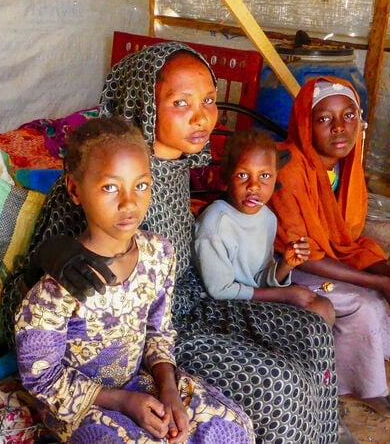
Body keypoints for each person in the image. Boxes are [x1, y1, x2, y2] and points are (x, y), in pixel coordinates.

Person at [3, 41, 339, 443]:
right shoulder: (106, 172)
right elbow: (31, 294)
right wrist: (50, 254)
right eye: (181, 103)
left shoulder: (175, 167)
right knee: (279, 385)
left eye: (209, 100)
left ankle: (323, 434)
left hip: (189, 302)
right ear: (145, 104)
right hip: (152, 330)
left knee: (311, 331)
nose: (202, 116)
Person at [15, 117, 254, 443]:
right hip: (82, 404)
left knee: (232, 429)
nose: (129, 203)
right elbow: (43, 379)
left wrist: (168, 388)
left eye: (141, 185)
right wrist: (123, 402)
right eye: (109, 187)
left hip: (140, 384)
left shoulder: (158, 254)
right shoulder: (59, 287)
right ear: (74, 189)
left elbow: (159, 331)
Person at [269, 76, 390, 418]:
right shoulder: (289, 169)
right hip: (282, 267)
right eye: (324, 118)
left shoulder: (345, 168)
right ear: (305, 124)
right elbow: (301, 254)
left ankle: (366, 382)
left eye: (349, 115)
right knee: (364, 302)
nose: (339, 128)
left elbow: (347, 243)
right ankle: (340, 391)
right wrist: (380, 282)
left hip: (323, 260)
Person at [193, 129, 335, 326]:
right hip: (220, 308)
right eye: (243, 175)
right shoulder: (214, 226)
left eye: (265, 175)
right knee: (311, 320)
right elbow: (220, 290)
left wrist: (285, 265)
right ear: (227, 178)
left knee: (322, 307)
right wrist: (283, 294)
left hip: (253, 299)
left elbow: (259, 279)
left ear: (276, 178)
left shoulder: (267, 218)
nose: (254, 186)